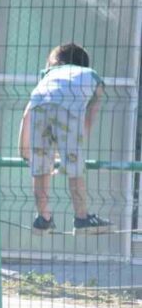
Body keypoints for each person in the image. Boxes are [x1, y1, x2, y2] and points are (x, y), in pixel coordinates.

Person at [17, 43, 110, 235]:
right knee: (75, 169)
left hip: (39, 108)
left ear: (56, 62)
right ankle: (82, 218)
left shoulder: (47, 77)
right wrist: (78, 140)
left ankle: (43, 218)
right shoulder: (90, 75)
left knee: (40, 169)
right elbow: (91, 112)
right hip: (69, 110)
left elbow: (26, 114)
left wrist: (24, 149)